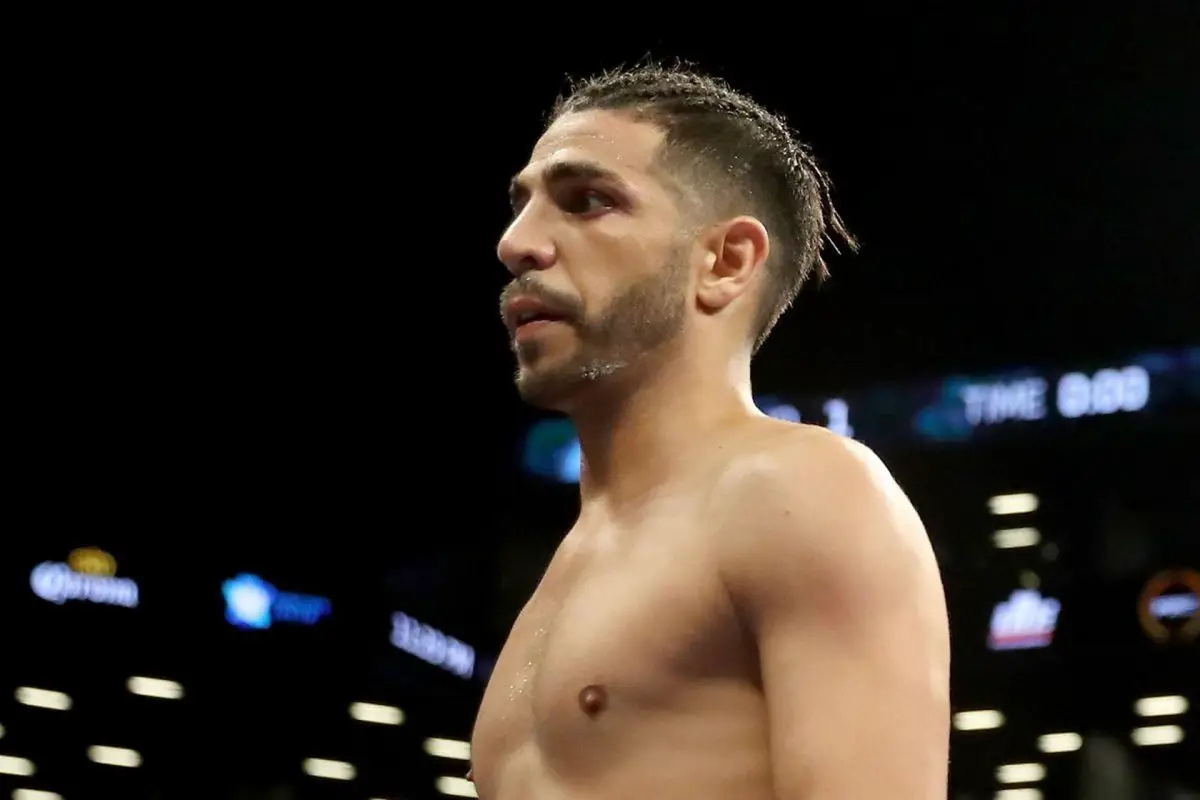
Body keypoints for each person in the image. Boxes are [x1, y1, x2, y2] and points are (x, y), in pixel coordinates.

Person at [471, 62, 951, 799]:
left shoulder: (800, 491)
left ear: (725, 262)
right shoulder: (572, 557)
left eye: (587, 200)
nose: (517, 243)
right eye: (522, 204)